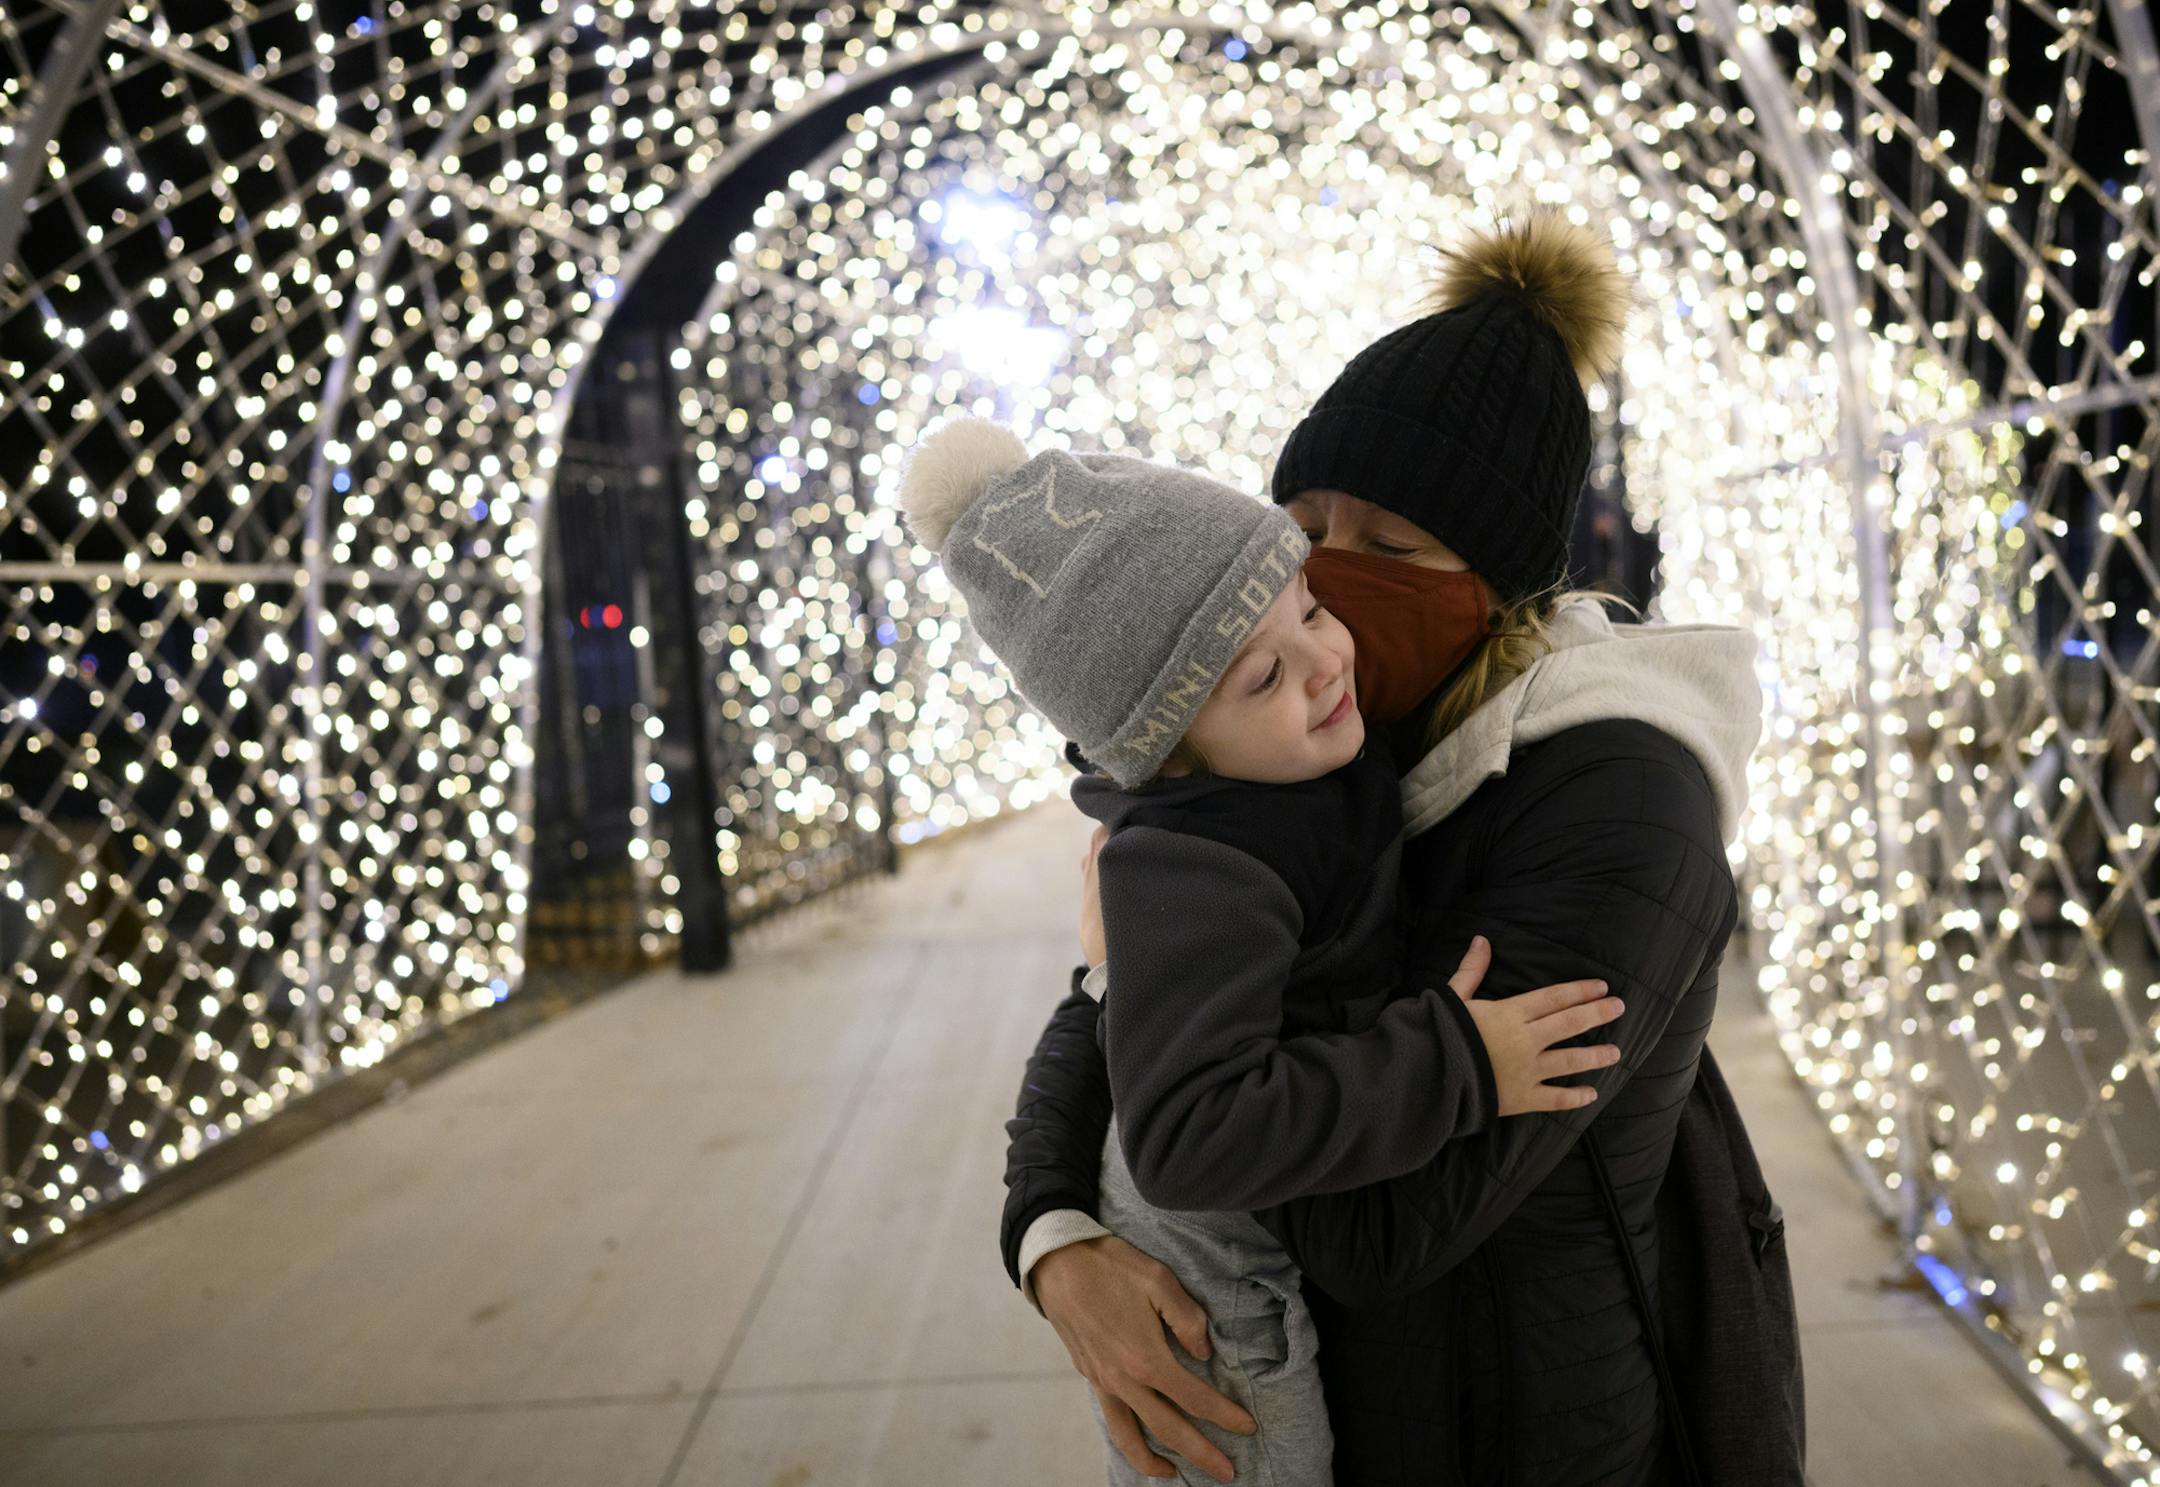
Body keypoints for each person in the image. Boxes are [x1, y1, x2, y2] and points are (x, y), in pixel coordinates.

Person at [1000, 213, 1767, 1485]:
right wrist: (1055, 1228)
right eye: (1303, 527)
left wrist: (1167, 1050)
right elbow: (1143, 996)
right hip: (1356, 1406)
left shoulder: (1622, 798)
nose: (1332, 576)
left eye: (1395, 545)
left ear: (1503, 578)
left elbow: (1378, 1229)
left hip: (1520, 1426)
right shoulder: (1322, 736)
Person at [897, 417, 1626, 1486]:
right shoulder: (1197, 866)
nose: (1327, 663)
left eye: (1313, 608)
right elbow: (1191, 1136)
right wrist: (1455, 1063)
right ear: (1173, 756)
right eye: (1260, 678)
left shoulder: (1289, 766)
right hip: (1208, 1273)